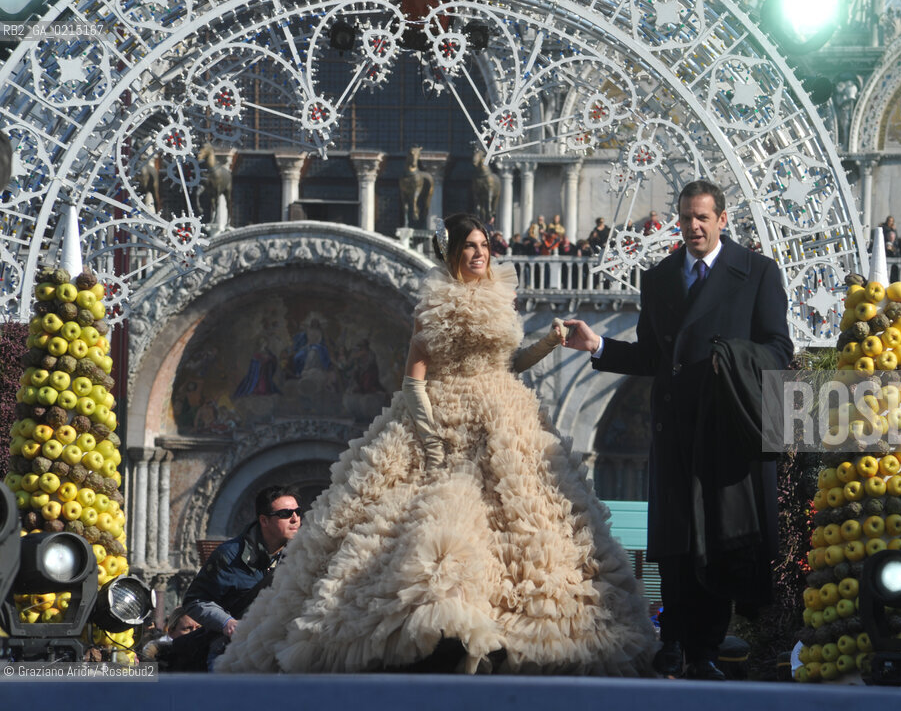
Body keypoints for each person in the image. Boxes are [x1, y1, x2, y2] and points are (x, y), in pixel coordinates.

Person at [217, 213, 656, 675]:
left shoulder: (498, 296)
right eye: (469, 245)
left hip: (506, 418)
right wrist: (429, 440)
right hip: (447, 419)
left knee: (530, 527)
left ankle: (511, 633)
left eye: (484, 245)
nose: (480, 253)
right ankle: (437, 633)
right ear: (451, 253)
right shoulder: (436, 303)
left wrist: (548, 342)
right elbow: (413, 382)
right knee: (436, 521)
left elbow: (507, 364)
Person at [563, 180, 793, 681]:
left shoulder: (756, 273)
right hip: (673, 430)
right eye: (686, 218)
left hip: (723, 430)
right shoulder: (662, 277)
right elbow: (651, 356)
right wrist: (597, 345)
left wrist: (729, 359)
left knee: (715, 536)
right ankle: (672, 642)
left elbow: (778, 351)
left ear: (723, 220)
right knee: (674, 539)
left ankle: (705, 649)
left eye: (702, 218)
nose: (692, 227)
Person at [181, 485, 301, 669]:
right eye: (285, 513)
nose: (295, 519)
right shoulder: (229, 555)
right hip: (232, 654)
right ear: (264, 520)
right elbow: (194, 600)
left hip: (283, 654)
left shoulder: (303, 555)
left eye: (297, 512)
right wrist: (226, 623)